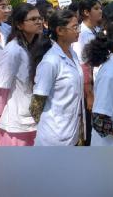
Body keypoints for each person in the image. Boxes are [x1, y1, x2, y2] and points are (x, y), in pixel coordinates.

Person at [29, 10, 85, 146]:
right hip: (53, 137)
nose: (78, 31)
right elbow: (36, 105)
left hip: (72, 132)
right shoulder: (50, 61)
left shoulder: (72, 53)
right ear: (60, 30)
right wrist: (51, 125)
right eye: (75, 27)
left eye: (79, 27)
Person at [0, 3, 43, 146]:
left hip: (34, 121)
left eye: (39, 18)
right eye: (33, 19)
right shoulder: (13, 50)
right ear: (20, 25)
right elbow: (1, 88)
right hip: (15, 126)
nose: (39, 22)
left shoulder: (36, 47)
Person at [71, 0, 103, 146]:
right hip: (88, 88)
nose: (100, 11)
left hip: (97, 83)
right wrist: (89, 93)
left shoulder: (95, 30)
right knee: (89, 125)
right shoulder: (82, 34)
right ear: (86, 12)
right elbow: (84, 65)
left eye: (100, 8)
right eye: (96, 8)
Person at [0, 0, 12, 144]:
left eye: (8, 6)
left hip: (6, 91)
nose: (7, 10)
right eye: (2, 6)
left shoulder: (7, 30)